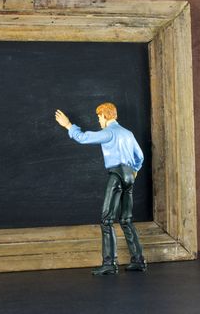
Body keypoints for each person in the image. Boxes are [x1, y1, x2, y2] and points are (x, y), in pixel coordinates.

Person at [55, 103, 147, 275]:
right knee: (126, 220)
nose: (98, 121)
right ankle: (139, 260)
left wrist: (68, 125)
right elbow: (140, 156)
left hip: (117, 174)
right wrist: (134, 171)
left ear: (105, 116)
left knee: (107, 220)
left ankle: (110, 263)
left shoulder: (109, 133)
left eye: (99, 117)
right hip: (129, 176)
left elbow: (83, 138)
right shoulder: (128, 133)